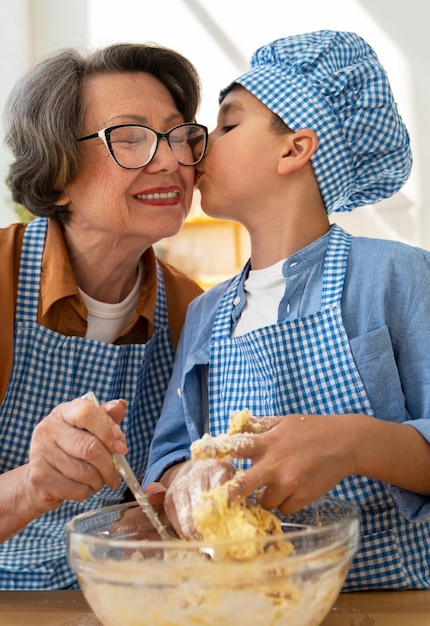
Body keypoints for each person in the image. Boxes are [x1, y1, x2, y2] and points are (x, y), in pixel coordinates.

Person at [143, 30, 430, 591]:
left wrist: (352, 442)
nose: (201, 143)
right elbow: (169, 456)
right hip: (247, 601)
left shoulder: (398, 277)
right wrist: (185, 479)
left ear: (294, 149)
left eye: (227, 124)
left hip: (398, 599)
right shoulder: (204, 314)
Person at [0, 42, 206, 589]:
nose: (171, 160)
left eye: (179, 136)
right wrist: (35, 483)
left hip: (112, 598)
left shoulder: (193, 308)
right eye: (130, 137)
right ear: (56, 172)